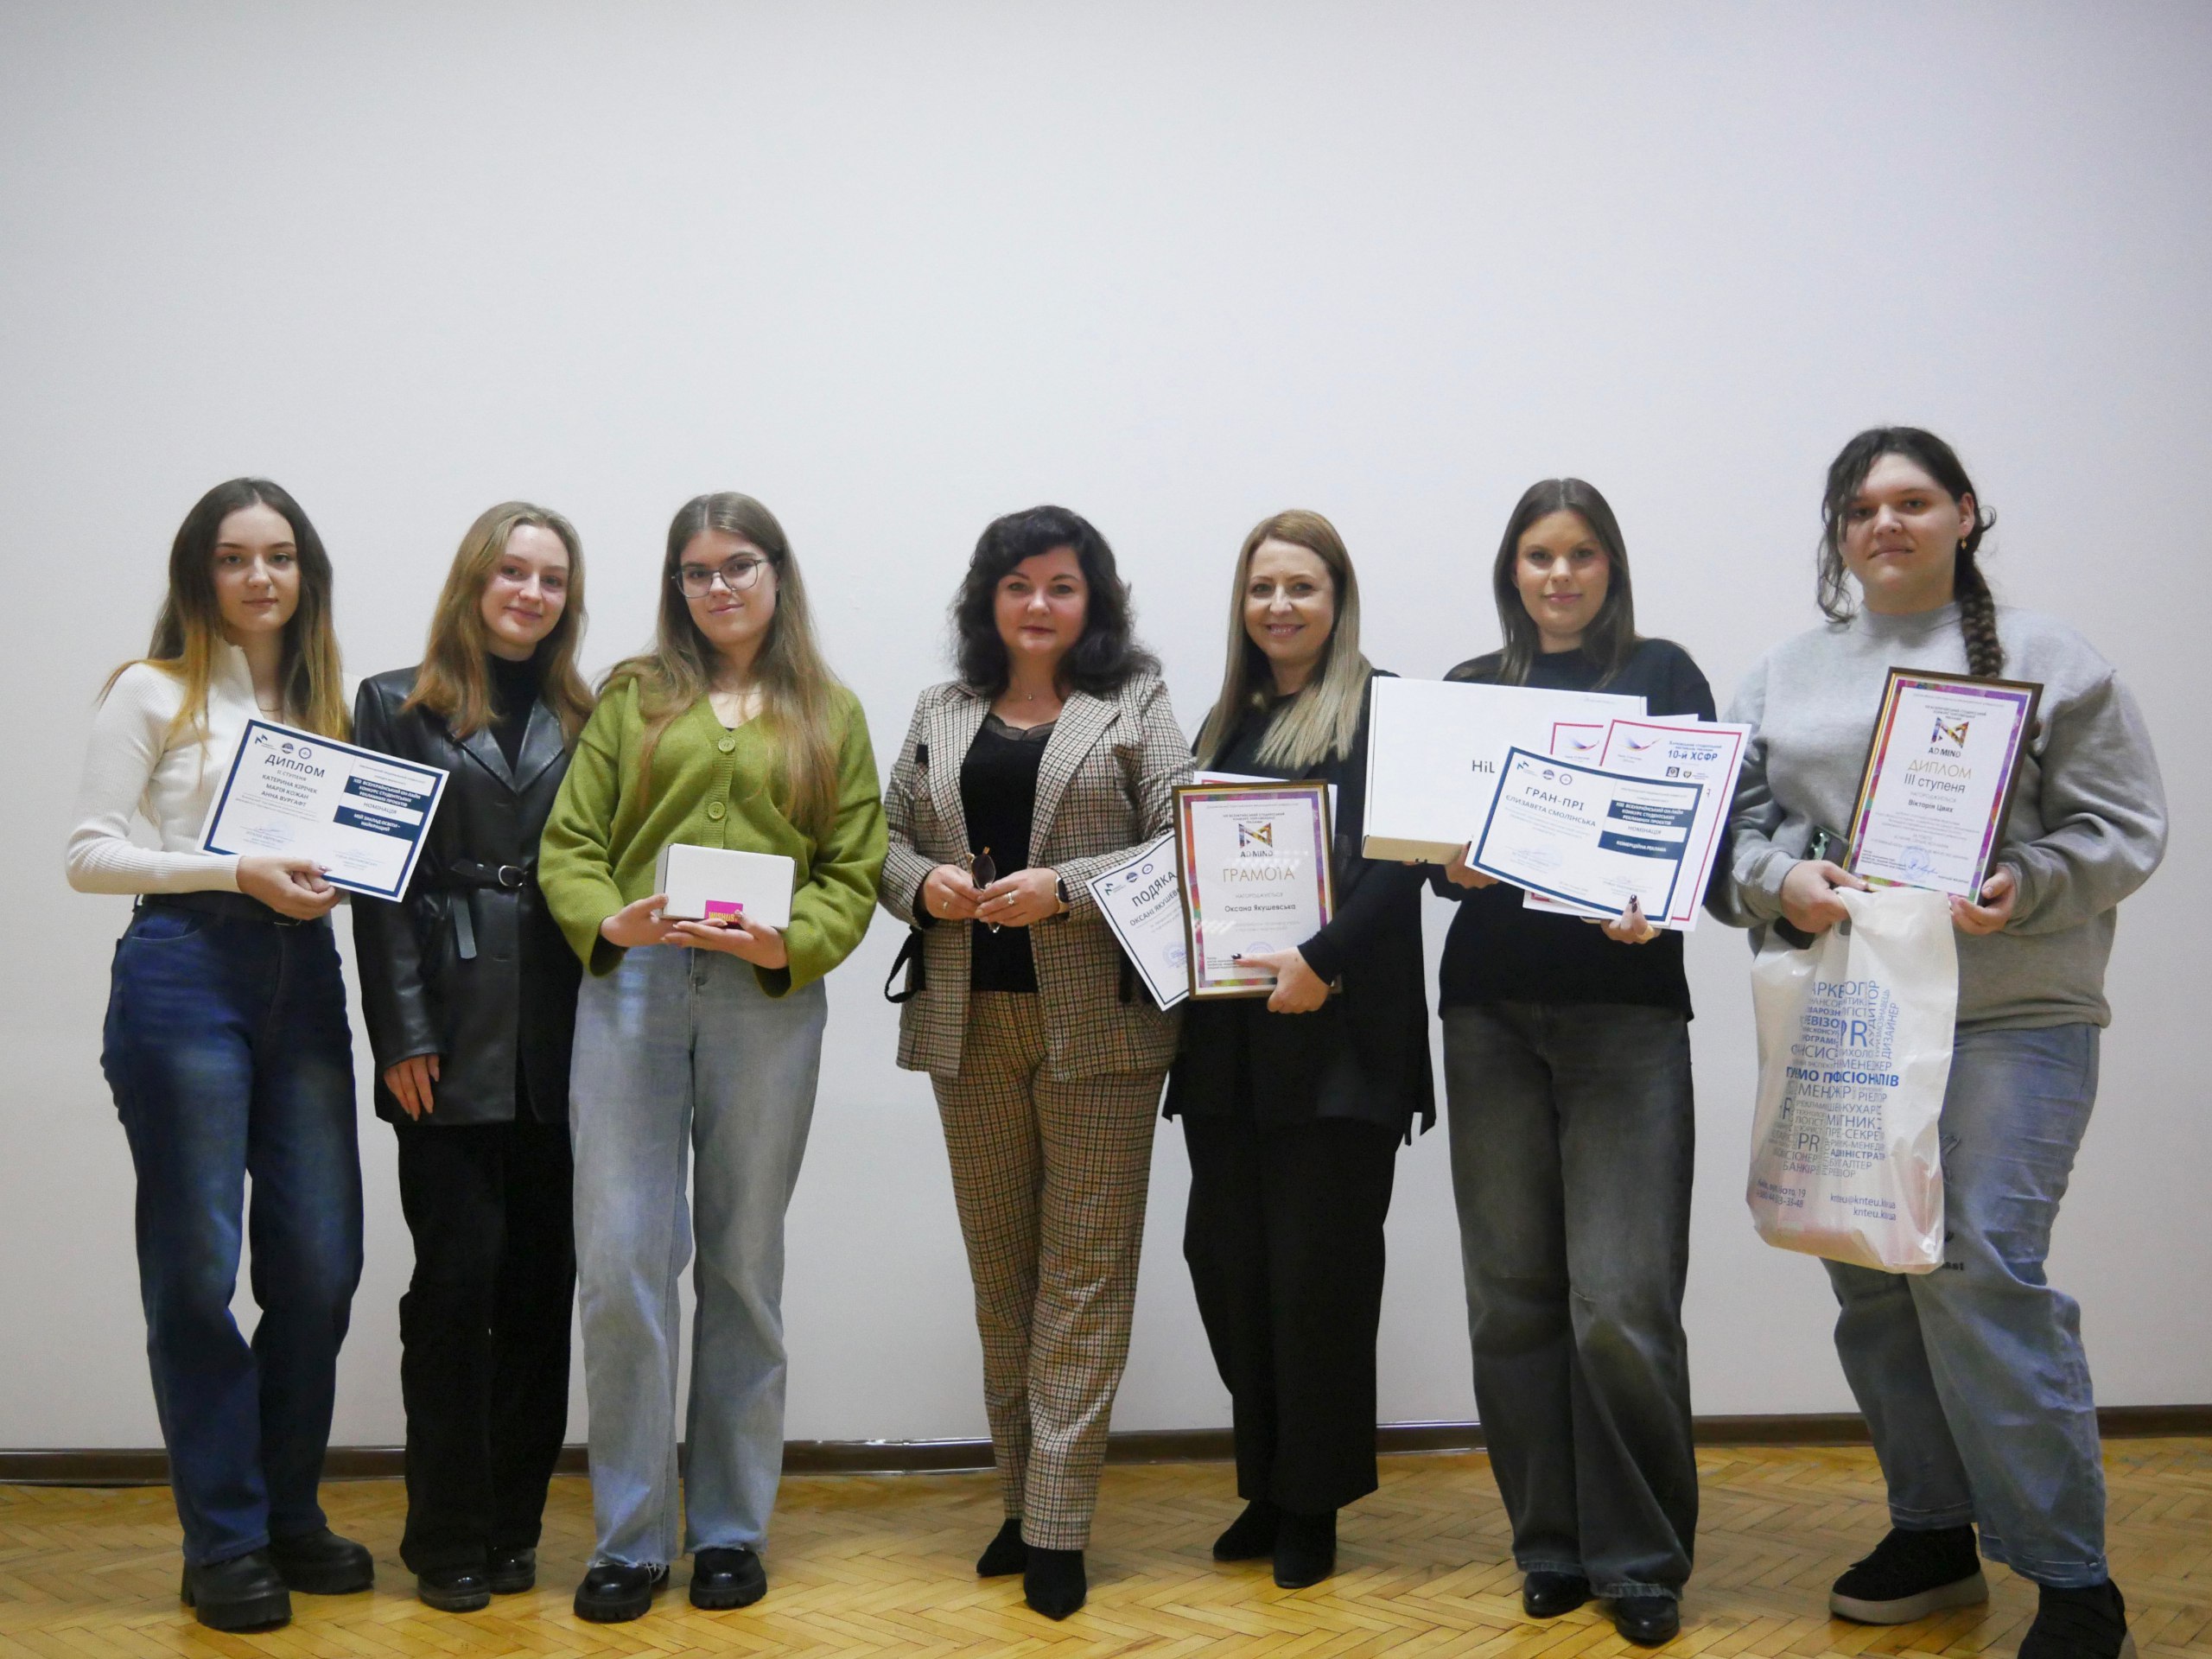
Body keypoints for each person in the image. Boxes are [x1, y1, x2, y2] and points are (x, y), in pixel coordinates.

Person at [1715, 428, 2165, 1659]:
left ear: (1965, 514)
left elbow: (2124, 825)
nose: (1887, 523)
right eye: (1861, 507)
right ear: (1839, 532)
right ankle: (1933, 1531)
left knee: (1973, 1264)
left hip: (2013, 1016)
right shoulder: (1784, 673)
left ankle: (2074, 1582)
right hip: (1850, 1012)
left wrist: (2028, 882)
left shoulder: (2052, 658)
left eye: (1913, 501)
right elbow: (1731, 831)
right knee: (1869, 1269)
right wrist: (1779, 881)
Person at [539, 491, 886, 1623]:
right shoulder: (633, 698)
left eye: (738, 564)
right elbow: (570, 844)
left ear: (777, 574)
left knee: (741, 1265)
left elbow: (853, 866)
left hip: (766, 1002)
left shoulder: (830, 710)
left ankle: (731, 1529)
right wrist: (611, 920)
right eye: (696, 571)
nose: (718, 586)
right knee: (623, 1264)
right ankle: (632, 1538)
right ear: (675, 584)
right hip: (633, 991)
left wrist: (796, 941)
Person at [66, 479, 370, 1630]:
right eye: (235, 557)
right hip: (184, 972)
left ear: (305, 573)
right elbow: (89, 855)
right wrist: (231, 869)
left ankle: (288, 1514)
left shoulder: (326, 704)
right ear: (201, 574)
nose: (258, 577)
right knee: (196, 1271)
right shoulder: (150, 689)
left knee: (320, 1270)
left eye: (278, 555)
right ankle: (226, 1540)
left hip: (305, 979)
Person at [878, 505, 1191, 1620]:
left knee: (1085, 1280)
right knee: (1002, 1279)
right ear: (988, 600)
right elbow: (879, 841)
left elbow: (1182, 843)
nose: (1038, 604)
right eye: (1017, 585)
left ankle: (1058, 1525)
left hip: (1100, 1030)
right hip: (967, 1026)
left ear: (1092, 598)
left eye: (1061, 585)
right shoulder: (941, 708)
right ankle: (1019, 1502)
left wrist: (1066, 889)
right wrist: (922, 885)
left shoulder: (1136, 701)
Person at [1432, 480, 1712, 1646]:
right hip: (1488, 1014)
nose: (1559, 575)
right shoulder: (1466, 689)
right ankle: (1547, 1540)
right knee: (1511, 1297)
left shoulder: (1664, 675)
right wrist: (1452, 863)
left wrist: (1660, 899)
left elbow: (1698, 840)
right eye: (1539, 555)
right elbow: (1431, 861)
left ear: (1611, 567)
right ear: (1512, 570)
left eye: (1581, 554)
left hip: (1625, 1014)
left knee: (1621, 1302)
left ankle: (1639, 1557)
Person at [1164, 510, 1431, 1590]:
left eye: (1301, 587)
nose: (1279, 605)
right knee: (1227, 1265)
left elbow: (1404, 862)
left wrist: (1323, 959)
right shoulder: (1224, 720)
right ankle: (1268, 1482)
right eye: (1262, 587)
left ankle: (1312, 1503)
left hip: (1340, 1042)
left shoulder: (1384, 707)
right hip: (1230, 1044)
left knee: (1319, 1279)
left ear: (1337, 600)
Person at [351, 503, 595, 1612]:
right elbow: (376, 885)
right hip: (444, 1032)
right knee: (455, 1288)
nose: (530, 593)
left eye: (551, 579)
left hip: (565, 1033)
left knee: (542, 1290)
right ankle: (444, 1531)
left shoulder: (590, 715)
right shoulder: (394, 703)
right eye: (512, 571)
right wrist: (402, 1031)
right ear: (474, 580)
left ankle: (513, 1529)